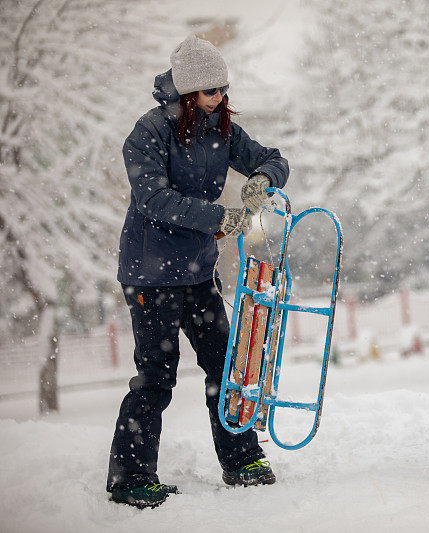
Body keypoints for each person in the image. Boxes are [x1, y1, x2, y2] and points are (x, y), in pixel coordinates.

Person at [107, 35, 288, 508]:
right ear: (187, 92)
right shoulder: (148, 133)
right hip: (150, 273)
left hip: (196, 271)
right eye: (211, 92)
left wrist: (261, 181)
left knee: (224, 368)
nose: (220, 99)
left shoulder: (220, 130)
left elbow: (273, 158)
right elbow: (153, 198)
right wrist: (219, 218)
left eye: (224, 90)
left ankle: (241, 458)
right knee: (156, 375)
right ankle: (131, 478)